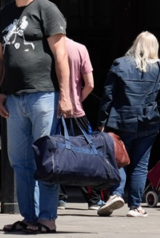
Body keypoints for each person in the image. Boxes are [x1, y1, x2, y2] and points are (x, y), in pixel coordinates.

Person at [0, 0, 74, 234]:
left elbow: (61, 55)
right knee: (19, 161)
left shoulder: (46, 9)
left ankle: (47, 219)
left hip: (44, 96)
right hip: (14, 98)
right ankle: (29, 217)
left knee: (46, 160)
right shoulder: (4, 13)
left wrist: (66, 95)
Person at [96, 32, 160, 218]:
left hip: (120, 120)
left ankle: (116, 194)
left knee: (119, 159)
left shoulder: (119, 64)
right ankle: (135, 206)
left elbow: (108, 95)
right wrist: (155, 112)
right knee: (140, 164)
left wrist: (101, 121)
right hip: (148, 123)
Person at [58, 35, 98, 209]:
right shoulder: (80, 48)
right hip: (76, 111)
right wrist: (77, 100)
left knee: (55, 154)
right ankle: (93, 198)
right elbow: (90, 84)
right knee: (84, 155)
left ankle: (59, 196)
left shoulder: (47, 48)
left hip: (53, 110)